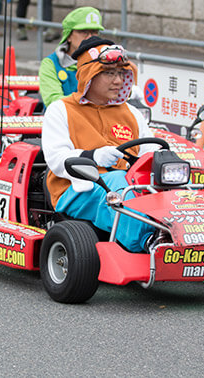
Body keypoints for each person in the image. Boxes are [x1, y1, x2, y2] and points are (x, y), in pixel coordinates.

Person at [42, 36, 158, 253]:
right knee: (117, 182)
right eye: (109, 73)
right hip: (75, 188)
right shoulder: (60, 110)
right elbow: (57, 160)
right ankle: (149, 242)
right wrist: (94, 157)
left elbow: (150, 151)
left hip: (128, 184)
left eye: (121, 73)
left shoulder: (131, 113)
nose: (118, 81)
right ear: (88, 75)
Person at [38, 6, 105, 107]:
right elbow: (54, 102)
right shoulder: (50, 64)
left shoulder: (105, 61)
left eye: (94, 32)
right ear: (68, 36)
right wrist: (88, 100)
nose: (90, 37)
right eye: (84, 32)